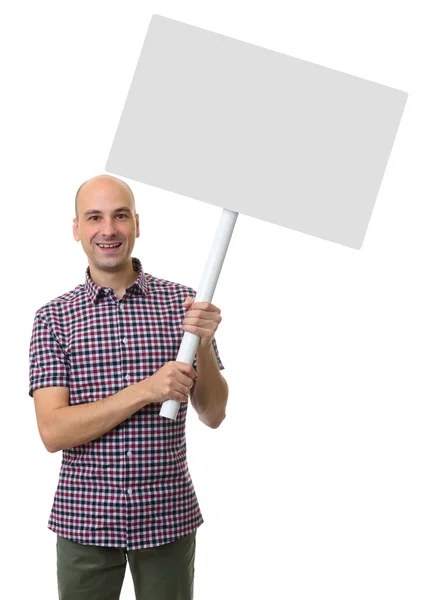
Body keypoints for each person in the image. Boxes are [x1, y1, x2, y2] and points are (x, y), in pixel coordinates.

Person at [29, 174, 228, 600]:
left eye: (120, 216)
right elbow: (53, 431)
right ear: (77, 229)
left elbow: (213, 414)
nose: (109, 229)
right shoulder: (53, 319)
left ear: (137, 223)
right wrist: (147, 390)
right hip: (85, 522)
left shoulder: (183, 304)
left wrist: (204, 345)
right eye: (94, 217)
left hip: (167, 519)